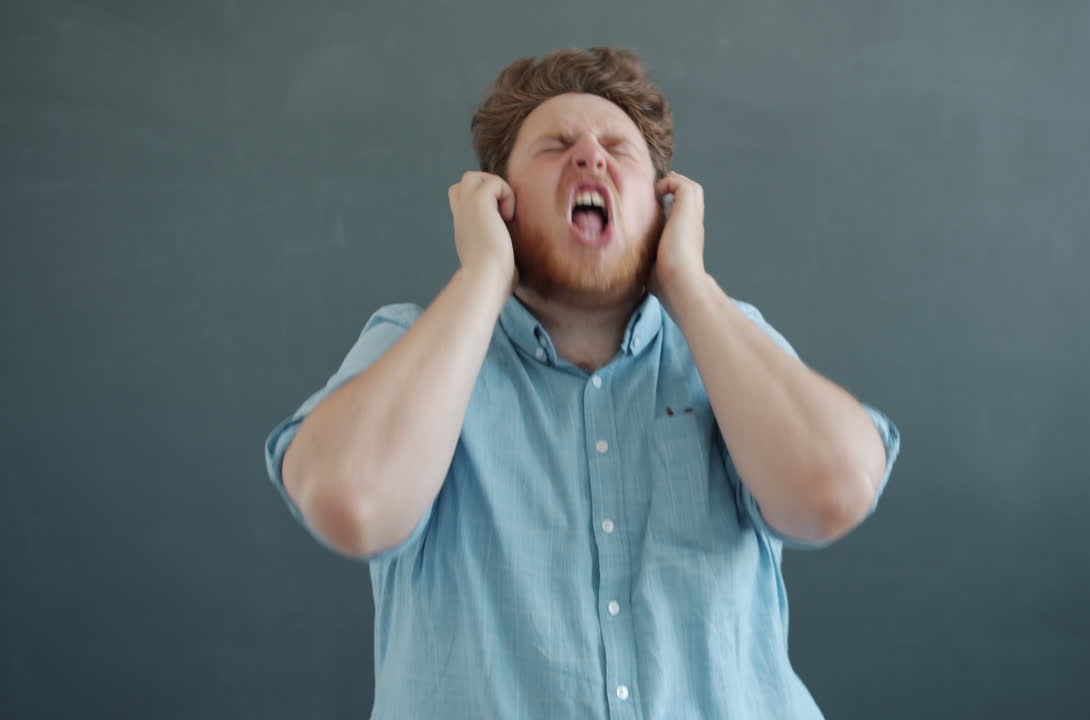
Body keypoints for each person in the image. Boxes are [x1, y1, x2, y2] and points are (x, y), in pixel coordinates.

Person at [265, 46, 900, 719]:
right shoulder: (411, 346)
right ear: (497, 204)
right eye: (556, 145)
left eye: (618, 149)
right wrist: (484, 272)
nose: (590, 158)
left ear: (663, 207)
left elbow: (834, 491)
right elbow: (350, 503)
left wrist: (686, 280)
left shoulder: (727, 341)